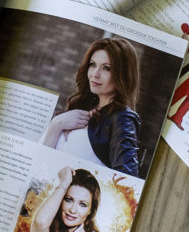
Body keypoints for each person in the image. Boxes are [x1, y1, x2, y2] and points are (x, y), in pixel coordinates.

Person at [41, 37, 142, 176]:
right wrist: (56, 125)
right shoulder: (81, 107)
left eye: (107, 68)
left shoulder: (122, 118)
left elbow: (127, 179)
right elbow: (39, 164)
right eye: (93, 64)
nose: (95, 74)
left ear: (123, 74)